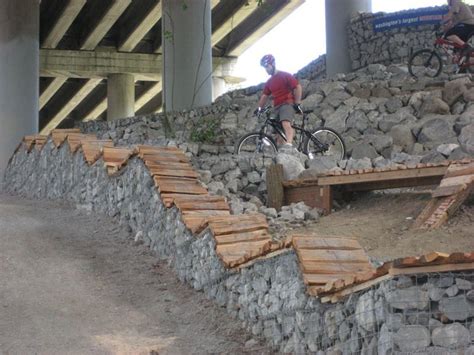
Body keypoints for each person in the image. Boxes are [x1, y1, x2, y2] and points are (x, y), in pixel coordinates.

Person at [255, 54, 302, 147]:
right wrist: (259, 108)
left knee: (285, 123)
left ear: (273, 64)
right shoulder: (269, 82)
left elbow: (298, 87)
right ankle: (281, 150)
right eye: (265, 68)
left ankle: (289, 145)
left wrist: (297, 103)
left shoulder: (285, 75)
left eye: (267, 67)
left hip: (287, 103)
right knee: (278, 131)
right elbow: (264, 96)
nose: (266, 69)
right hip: (277, 107)